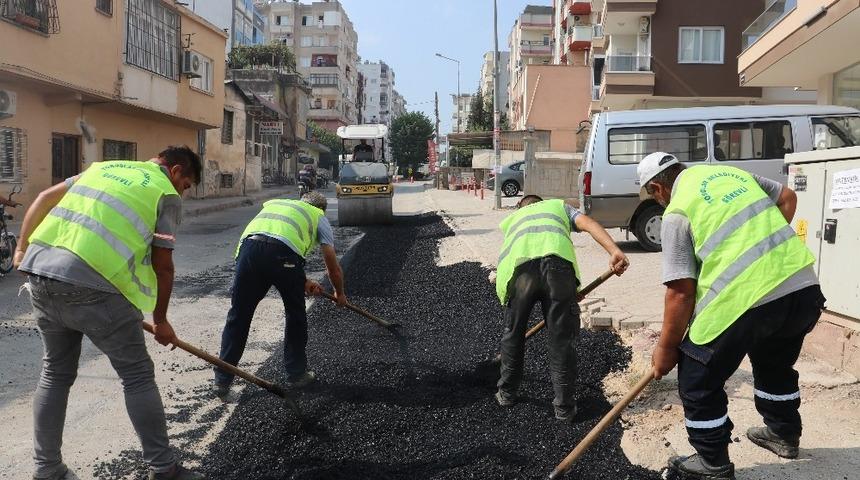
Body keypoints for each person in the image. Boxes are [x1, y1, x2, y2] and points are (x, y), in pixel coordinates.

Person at [13, 146, 204, 480]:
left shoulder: (102, 167)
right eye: (186, 185)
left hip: (42, 276)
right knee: (137, 375)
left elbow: (44, 197)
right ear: (175, 171)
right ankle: (164, 469)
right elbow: (163, 266)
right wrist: (160, 321)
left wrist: (20, 249)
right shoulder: (165, 193)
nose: (182, 193)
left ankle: (48, 469)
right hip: (95, 287)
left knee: (55, 373)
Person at [638, 152, 825, 480]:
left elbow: (680, 293)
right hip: (802, 286)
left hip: (748, 298)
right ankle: (783, 434)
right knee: (774, 360)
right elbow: (787, 197)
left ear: (657, 188)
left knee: (697, 377)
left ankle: (712, 462)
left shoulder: (677, 212)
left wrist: (666, 350)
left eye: (653, 196)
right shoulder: (729, 174)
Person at [494, 195, 629, 421]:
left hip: (520, 272)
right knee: (560, 340)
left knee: (513, 335)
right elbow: (589, 223)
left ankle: (507, 393)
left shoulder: (514, 219)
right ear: (541, 202)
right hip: (558, 269)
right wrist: (613, 250)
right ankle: (564, 409)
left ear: (520, 206)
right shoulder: (557, 207)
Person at [214, 191, 347, 396]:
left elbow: (268, 244)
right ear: (321, 209)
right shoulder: (318, 216)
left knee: (238, 315)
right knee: (295, 315)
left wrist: (300, 280)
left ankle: (222, 380)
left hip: (249, 252)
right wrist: (340, 293)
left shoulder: (277, 205)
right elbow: (331, 262)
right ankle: (297, 374)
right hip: (282, 255)